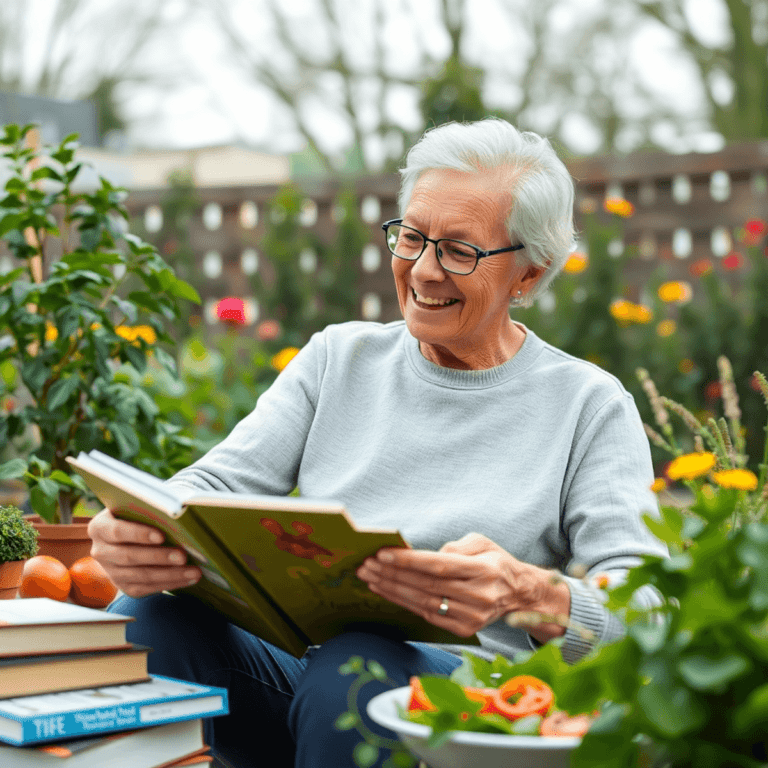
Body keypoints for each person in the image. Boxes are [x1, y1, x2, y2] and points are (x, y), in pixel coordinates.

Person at [88, 118, 667, 768]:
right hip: (304, 672)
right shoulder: (340, 357)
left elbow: (648, 607)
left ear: (528, 276)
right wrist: (141, 529)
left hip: (464, 703)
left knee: (351, 672)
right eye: (413, 237)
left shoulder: (587, 404)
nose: (423, 270)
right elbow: (212, 487)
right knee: (144, 622)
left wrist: (529, 592)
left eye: (458, 251)